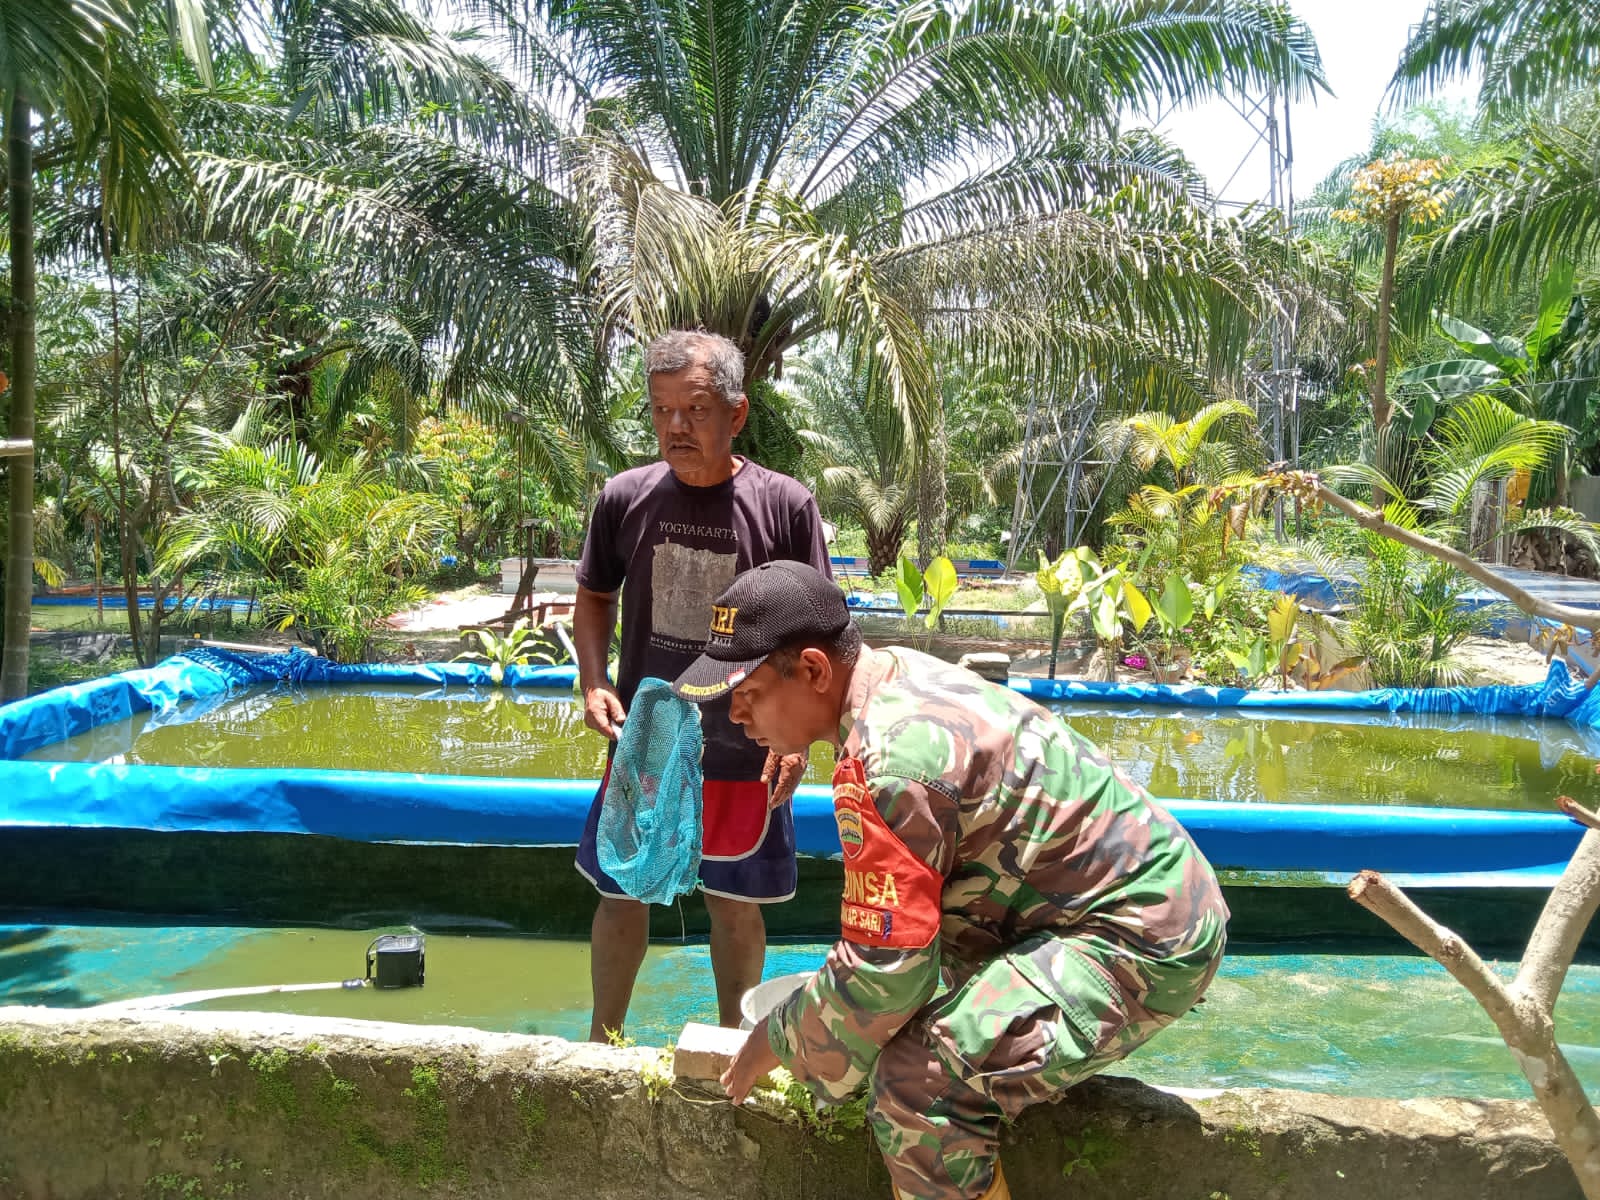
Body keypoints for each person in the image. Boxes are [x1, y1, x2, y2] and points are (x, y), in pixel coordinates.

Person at [671, 561, 1228, 1200]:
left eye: (747, 692)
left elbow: (886, 973)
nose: (735, 715)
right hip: (1110, 911)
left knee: (918, 1085)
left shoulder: (892, 763)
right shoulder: (892, 678)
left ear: (817, 671)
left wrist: (780, 1038)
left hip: (1139, 937)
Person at [573, 329, 831, 1042]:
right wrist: (594, 679)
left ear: (737, 414)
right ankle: (603, 1043)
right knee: (622, 893)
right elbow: (594, 596)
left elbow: (818, 632)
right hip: (648, 743)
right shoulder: (625, 499)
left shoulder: (784, 506)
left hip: (749, 746)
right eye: (661, 411)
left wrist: (799, 739)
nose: (675, 427)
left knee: (733, 902)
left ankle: (733, 1046)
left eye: (694, 409)